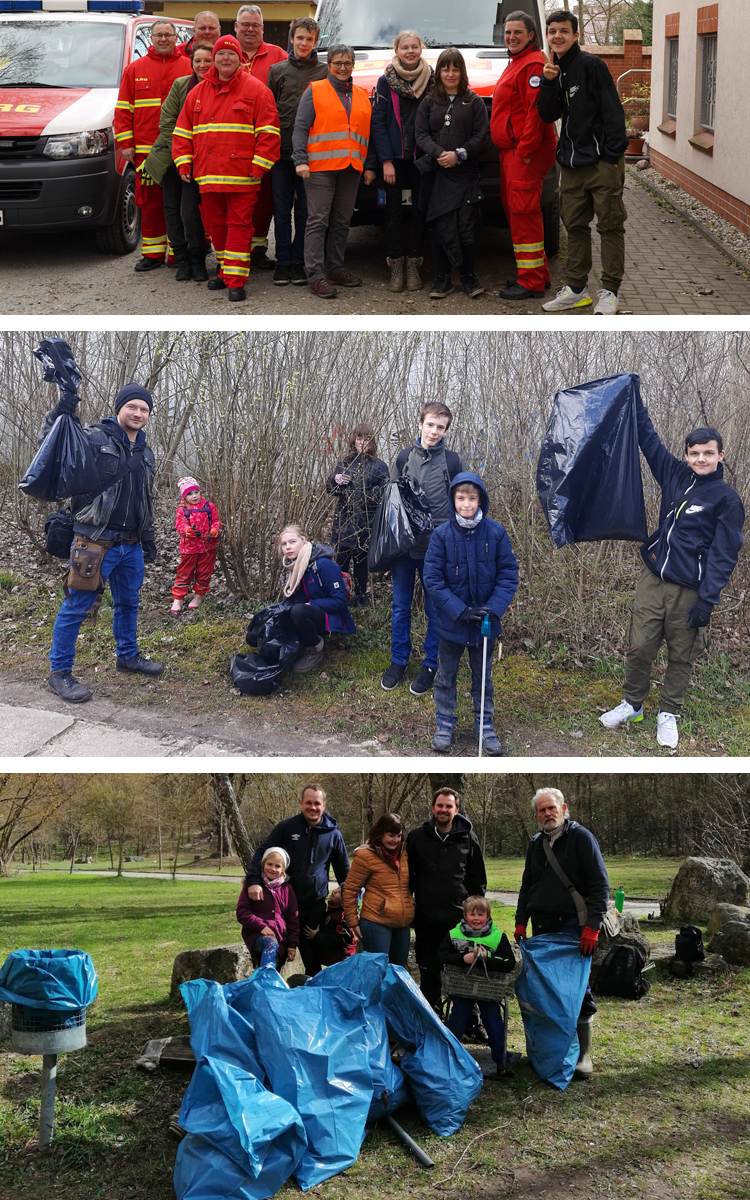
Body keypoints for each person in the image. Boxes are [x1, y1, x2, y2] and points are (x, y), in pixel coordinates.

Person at [599, 406, 745, 750]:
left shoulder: (727, 499)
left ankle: (668, 713)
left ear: (720, 455)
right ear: (686, 454)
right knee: (639, 648)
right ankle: (633, 705)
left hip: (690, 591)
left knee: (682, 655)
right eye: (694, 453)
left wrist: (707, 600)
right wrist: (634, 402)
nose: (701, 459)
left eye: (708, 453)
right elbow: (649, 442)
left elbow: (725, 554)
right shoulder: (675, 473)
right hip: (654, 581)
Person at [45, 384, 163, 704]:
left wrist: (148, 536)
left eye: (144, 409)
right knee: (76, 608)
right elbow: (54, 443)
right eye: (132, 407)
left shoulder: (147, 453)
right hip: (94, 543)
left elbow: (145, 500)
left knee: (128, 604)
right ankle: (59, 673)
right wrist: (62, 410)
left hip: (131, 545)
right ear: (120, 408)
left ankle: (127, 656)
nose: (138, 413)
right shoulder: (95, 438)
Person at [172, 34, 281, 302]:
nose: (225, 58)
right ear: (215, 59)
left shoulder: (257, 90)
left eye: (231, 54)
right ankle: (225, 271)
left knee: (239, 226)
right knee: (216, 226)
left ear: (240, 59)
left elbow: (269, 133)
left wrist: (258, 167)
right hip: (208, 176)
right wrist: (184, 161)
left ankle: (235, 280)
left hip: (242, 177)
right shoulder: (197, 92)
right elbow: (183, 131)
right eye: (221, 54)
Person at [537, 9, 628, 315]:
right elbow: (548, 115)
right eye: (552, 31)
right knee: (574, 226)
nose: (557, 36)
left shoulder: (591, 65)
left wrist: (613, 157)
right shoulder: (553, 70)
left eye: (564, 31)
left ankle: (610, 292)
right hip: (571, 166)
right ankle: (577, 290)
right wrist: (548, 83)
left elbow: (613, 112)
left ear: (576, 35)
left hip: (602, 163)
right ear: (547, 35)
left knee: (610, 227)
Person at [515, 787, 610, 1079]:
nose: (547, 814)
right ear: (537, 815)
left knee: (577, 990)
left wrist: (592, 928)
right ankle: (553, 1051)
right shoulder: (535, 844)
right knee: (546, 992)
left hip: (574, 928)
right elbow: (527, 886)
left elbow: (600, 887)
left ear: (563, 808)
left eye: (551, 808)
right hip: (542, 928)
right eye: (542, 810)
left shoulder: (582, 838)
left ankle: (583, 1056)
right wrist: (521, 921)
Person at [423, 472, 519, 755]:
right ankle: (444, 721)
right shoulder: (441, 535)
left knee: (483, 675)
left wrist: (494, 608)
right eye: (461, 498)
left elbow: (508, 574)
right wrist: (459, 610)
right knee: (445, 674)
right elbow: (432, 579)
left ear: (481, 500)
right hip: (451, 621)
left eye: (472, 498)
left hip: (485, 622)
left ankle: (484, 722)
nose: (466, 504)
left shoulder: (496, 533)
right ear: (453, 500)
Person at [380, 402, 468, 696]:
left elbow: (463, 504)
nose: (434, 431)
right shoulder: (404, 457)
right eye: (430, 424)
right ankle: (398, 661)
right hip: (404, 550)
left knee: (434, 609)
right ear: (420, 424)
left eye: (440, 427)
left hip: (436, 550)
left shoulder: (454, 462)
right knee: (401, 607)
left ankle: (431, 664)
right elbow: (392, 502)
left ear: (446, 430)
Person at [292, 43, 373, 299]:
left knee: (342, 221)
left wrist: (368, 165)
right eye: (337, 63)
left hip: (351, 168)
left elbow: (367, 133)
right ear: (329, 66)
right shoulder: (315, 90)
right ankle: (316, 275)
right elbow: (301, 127)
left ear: (353, 66)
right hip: (319, 168)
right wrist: (300, 160)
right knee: (318, 221)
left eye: (347, 63)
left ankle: (336, 268)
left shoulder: (361, 94)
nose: (342, 68)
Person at [244, 783, 350, 978]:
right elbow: (262, 851)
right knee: (275, 957)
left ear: (324, 805)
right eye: (308, 802)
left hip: (314, 908)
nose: (312, 807)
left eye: (317, 803)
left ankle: (312, 999)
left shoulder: (333, 834)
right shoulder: (287, 827)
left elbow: (345, 873)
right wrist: (253, 880)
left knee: (312, 960)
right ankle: (265, 994)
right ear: (301, 803)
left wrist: (352, 901)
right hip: (283, 906)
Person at [114, 18, 192, 271]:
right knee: (149, 203)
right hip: (146, 151)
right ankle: (153, 254)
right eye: (158, 35)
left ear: (176, 36)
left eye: (168, 35)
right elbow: (123, 110)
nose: (163, 40)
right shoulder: (134, 69)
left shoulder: (189, 66)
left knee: (180, 203)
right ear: (151, 38)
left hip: (180, 150)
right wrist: (126, 143)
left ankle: (179, 253)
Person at [490, 11, 557, 301]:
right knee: (519, 213)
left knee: (523, 214)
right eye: (507, 32)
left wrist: (526, 152)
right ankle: (536, 274)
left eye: (518, 32)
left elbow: (536, 113)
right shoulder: (518, 62)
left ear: (531, 35)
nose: (511, 37)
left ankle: (530, 283)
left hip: (524, 153)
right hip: (514, 152)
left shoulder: (531, 65)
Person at [415, 47, 488, 300]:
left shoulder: (474, 101)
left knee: (464, 225)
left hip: (464, 173)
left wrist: (459, 155)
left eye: (455, 68)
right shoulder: (428, 102)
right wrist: (439, 154)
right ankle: (442, 278)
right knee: (439, 223)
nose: (450, 73)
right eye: (446, 68)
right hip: (437, 173)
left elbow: (480, 136)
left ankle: (469, 276)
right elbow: (420, 134)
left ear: (462, 71)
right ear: (440, 72)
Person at [406, 787, 487, 1012]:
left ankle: (467, 1019)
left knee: (462, 972)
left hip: (457, 920)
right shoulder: (417, 837)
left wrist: (475, 916)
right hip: (426, 920)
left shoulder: (468, 837)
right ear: (432, 808)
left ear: (456, 809)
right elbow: (406, 877)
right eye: (440, 806)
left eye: (448, 806)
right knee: (429, 972)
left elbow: (477, 879)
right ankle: (432, 1015)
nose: (443, 810)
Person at [142, 41, 213, 283]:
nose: (202, 65)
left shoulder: (219, 87)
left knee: (189, 212)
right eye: (198, 61)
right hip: (172, 158)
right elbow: (166, 122)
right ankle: (182, 260)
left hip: (200, 162)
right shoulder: (180, 85)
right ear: (191, 63)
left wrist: (198, 153)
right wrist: (185, 150)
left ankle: (197, 259)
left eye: (207, 61)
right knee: (172, 210)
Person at [370, 30, 433, 293]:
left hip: (421, 157)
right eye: (404, 47)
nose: (409, 51)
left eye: (414, 47)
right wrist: (385, 160)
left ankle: (413, 264)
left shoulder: (431, 78)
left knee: (420, 211)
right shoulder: (386, 81)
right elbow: (379, 123)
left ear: (421, 49)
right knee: (393, 212)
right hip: (394, 159)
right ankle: (395, 265)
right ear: (396, 50)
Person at [267, 17, 328, 286]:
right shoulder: (276, 70)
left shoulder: (325, 72)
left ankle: (298, 261)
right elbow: (268, 112)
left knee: (305, 211)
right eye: (300, 38)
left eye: (309, 39)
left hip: (311, 156)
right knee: (281, 211)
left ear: (316, 42)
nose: (304, 43)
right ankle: (281, 262)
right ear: (291, 39)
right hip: (280, 153)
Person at [234, 4, 288, 270]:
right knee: (235, 199)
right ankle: (235, 250)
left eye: (255, 25)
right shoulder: (226, 55)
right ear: (235, 27)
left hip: (267, 141)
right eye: (245, 24)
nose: (250, 29)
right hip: (233, 142)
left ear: (263, 29)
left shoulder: (279, 55)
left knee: (265, 199)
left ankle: (257, 249)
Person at [438, 895, 516, 1075]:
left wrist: (489, 958)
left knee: (493, 1019)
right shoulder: (453, 934)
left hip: (489, 990)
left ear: (488, 917)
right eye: (472, 914)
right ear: (465, 916)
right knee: (456, 1018)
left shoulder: (498, 937)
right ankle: (448, 1057)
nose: (476, 918)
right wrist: (462, 958)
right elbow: (441, 956)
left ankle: (501, 1060)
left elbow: (509, 962)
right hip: (461, 988)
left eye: (481, 915)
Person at [277, 524, 356, 672]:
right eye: (284, 544)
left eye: (293, 542)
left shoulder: (323, 564)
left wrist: (311, 604)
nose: (288, 547)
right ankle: (299, 642)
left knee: (299, 611)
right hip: (306, 611)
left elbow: (340, 602)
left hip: (329, 617)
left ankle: (315, 647)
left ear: (304, 541)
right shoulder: (291, 568)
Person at [325, 423, 389, 606]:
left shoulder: (379, 466)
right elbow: (332, 490)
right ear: (354, 440)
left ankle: (361, 597)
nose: (362, 442)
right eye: (359, 438)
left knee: (361, 564)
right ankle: (339, 596)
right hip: (344, 523)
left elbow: (384, 491)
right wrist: (335, 481)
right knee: (340, 564)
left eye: (366, 439)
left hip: (365, 524)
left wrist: (368, 496)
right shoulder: (345, 463)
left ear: (372, 442)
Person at [343, 814, 414, 967]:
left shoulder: (406, 853)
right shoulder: (365, 856)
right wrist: (353, 922)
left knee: (398, 973)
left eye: (399, 836)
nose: (395, 840)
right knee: (377, 971)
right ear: (380, 833)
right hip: (376, 921)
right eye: (391, 835)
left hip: (402, 923)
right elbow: (350, 889)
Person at [236, 847, 299, 970]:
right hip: (257, 936)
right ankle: (264, 980)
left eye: (277, 866)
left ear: (283, 869)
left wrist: (292, 945)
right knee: (270, 944)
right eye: (269, 864)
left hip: (280, 938)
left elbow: (293, 919)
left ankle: (264, 982)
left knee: (274, 967)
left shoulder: (287, 890)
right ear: (263, 864)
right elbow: (242, 912)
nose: (273, 869)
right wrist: (261, 926)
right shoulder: (253, 886)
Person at [170, 476, 221, 614]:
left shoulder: (209, 506)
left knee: (204, 572)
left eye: (196, 492)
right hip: (189, 548)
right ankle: (178, 597)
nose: (194, 496)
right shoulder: (182, 510)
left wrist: (215, 530)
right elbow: (180, 525)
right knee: (184, 572)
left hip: (207, 546)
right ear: (184, 496)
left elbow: (216, 520)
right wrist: (187, 530)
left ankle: (199, 595)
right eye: (190, 494)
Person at [308, 887, 356, 967]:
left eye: (340, 893)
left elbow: (339, 941)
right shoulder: (333, 910)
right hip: (334, 958)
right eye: (337, 888)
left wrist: (317, 935)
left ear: (344, 903)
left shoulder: (342, 918)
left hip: (341, 961)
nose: (335, 891)